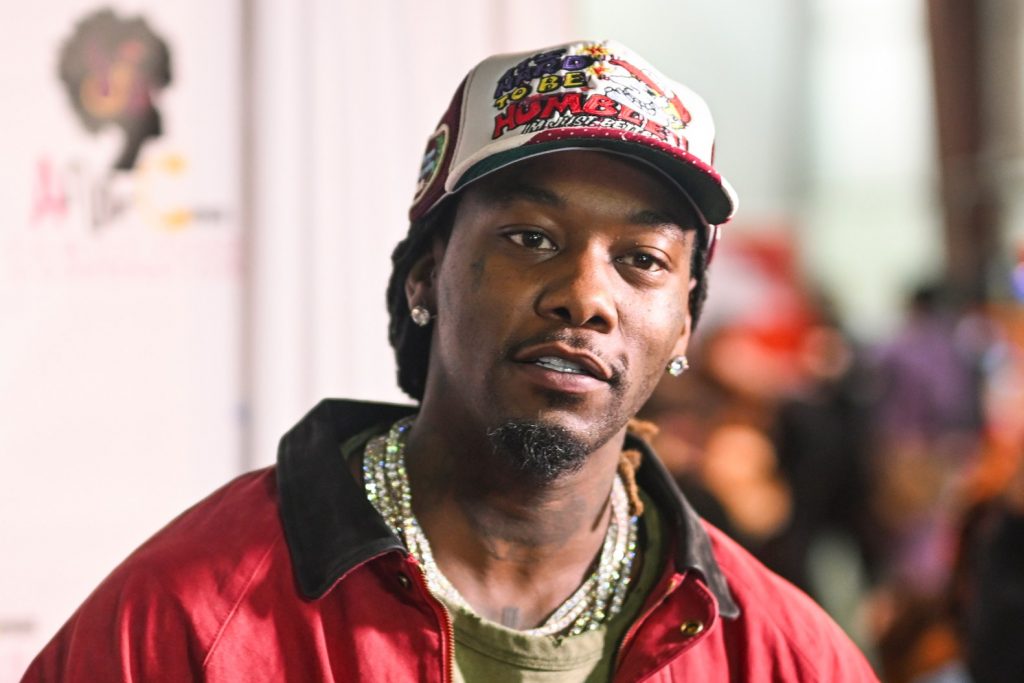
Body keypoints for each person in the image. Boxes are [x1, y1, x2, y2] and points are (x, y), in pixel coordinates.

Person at [23, 39, 879, 681]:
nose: (585, 296)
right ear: (425, 276)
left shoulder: (791, 656)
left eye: (642, 259)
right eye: (531, 237)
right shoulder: (190, 620)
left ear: (686, 323)